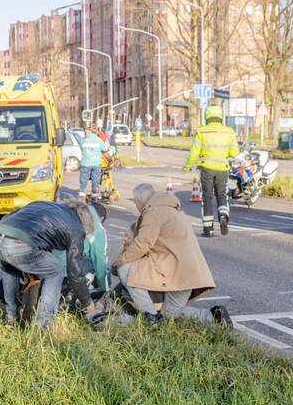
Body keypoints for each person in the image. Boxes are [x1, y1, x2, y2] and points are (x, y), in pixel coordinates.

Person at [112, 183, 233, 327]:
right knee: (169, 314)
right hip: (189, 273)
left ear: (139, 202)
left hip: (174, 270)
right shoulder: (173, 210)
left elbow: (142, 244)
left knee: (125, 268)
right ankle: (213, 316)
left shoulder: (154, 211)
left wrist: (120, 260)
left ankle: (150, 317)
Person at [0, 200, 99, 327]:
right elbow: (75, 273)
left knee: (10, 269)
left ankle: (11, 318)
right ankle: (43, 325)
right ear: (85, 220)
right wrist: (86, 302)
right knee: (55, 272)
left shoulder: (45, 206)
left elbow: (9, 217)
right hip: (17, 245)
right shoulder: (76, 228)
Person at [183, 104, 239, 237]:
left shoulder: (202, 131)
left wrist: (187, 167)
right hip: (222, 170)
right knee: (222, 196)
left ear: (207, 116)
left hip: (207, 170)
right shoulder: (229, 131)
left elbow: (194, 152)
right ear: (220, 116)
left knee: (207, 198)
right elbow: (235, 152)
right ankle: (223, 216)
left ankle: (208, 230)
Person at [78, 124, 107, 201]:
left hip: (85, 163)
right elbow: (105, 149)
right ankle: (94, 199)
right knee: (95, 182)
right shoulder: (98, 140)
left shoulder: (83, 140)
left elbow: (82, 149)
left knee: (83, 182)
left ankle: (81, 198)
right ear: (95, 132)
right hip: (96, 163)